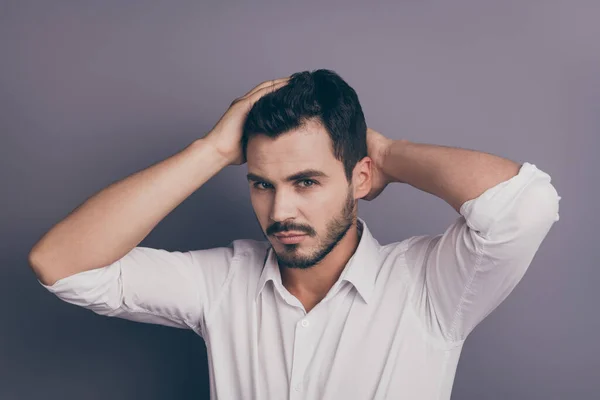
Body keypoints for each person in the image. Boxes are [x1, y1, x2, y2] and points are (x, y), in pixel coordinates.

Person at [28, 69, 561, 400]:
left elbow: (525, 204)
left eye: (306, 181)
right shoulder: (221, 282)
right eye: (262, 184)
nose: (280, 209)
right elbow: (63, 264)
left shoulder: (431, 287)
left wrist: (390, 153)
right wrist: (211, 151)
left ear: (359, 178)